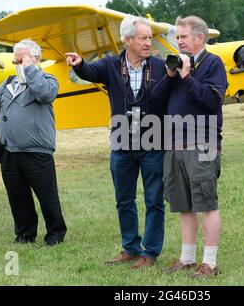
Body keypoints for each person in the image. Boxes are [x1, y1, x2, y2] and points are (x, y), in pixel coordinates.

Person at [65, 16, 167, 269]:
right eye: (143, 38)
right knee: (124, 199)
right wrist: (79, 64)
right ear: (127, 40)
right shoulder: (111, 65)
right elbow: (88, 71)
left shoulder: (161, 66)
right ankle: (130, 248)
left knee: (154, 199)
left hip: (154, 142)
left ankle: (150, 252)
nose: (148, 43)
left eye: (149, 38)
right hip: (122, 142)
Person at [152, 16, 228, 278]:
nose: (179, 42)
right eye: (178, 37)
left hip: (202, 143)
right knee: (183, 204)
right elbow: (156, 102)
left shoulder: (213, 64)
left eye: (183, 37)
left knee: (206, 202)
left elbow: (210, 101)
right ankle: (186, 259)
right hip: (174, 143)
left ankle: (210, 262)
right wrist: (172, 75)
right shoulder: (175, 65)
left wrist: (186, 76)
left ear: (199, 38)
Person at [0, 39, 67, 246]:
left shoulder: (47, 80)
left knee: (47, 196)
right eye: (16, 61)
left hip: (36, 150)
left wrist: (30, 70)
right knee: (18, 197)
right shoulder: (9, 83)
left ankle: (55, 235)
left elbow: (45, 94)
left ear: (35, 59)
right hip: (9, 150)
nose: (18, 64)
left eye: (22, 60)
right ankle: (24, 234)